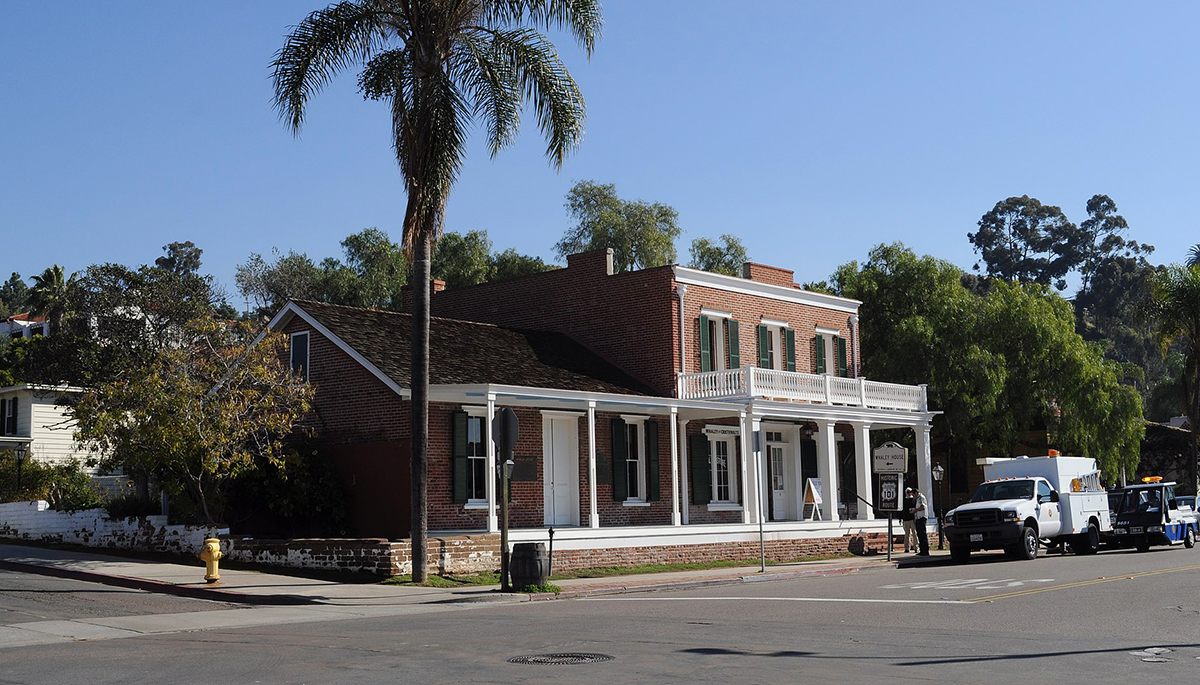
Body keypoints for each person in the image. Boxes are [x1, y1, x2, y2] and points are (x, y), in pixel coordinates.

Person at [910, 487, 930, 556]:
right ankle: (922, 550)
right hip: (918, 518)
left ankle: (925, 551)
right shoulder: (917, 499)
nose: (913, 496)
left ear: (916, 493)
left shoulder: (921, 498)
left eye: (913, 495)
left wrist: (915, 510)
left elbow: (923, 507)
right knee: (919, 535)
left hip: (922, 517)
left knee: (922, 534)